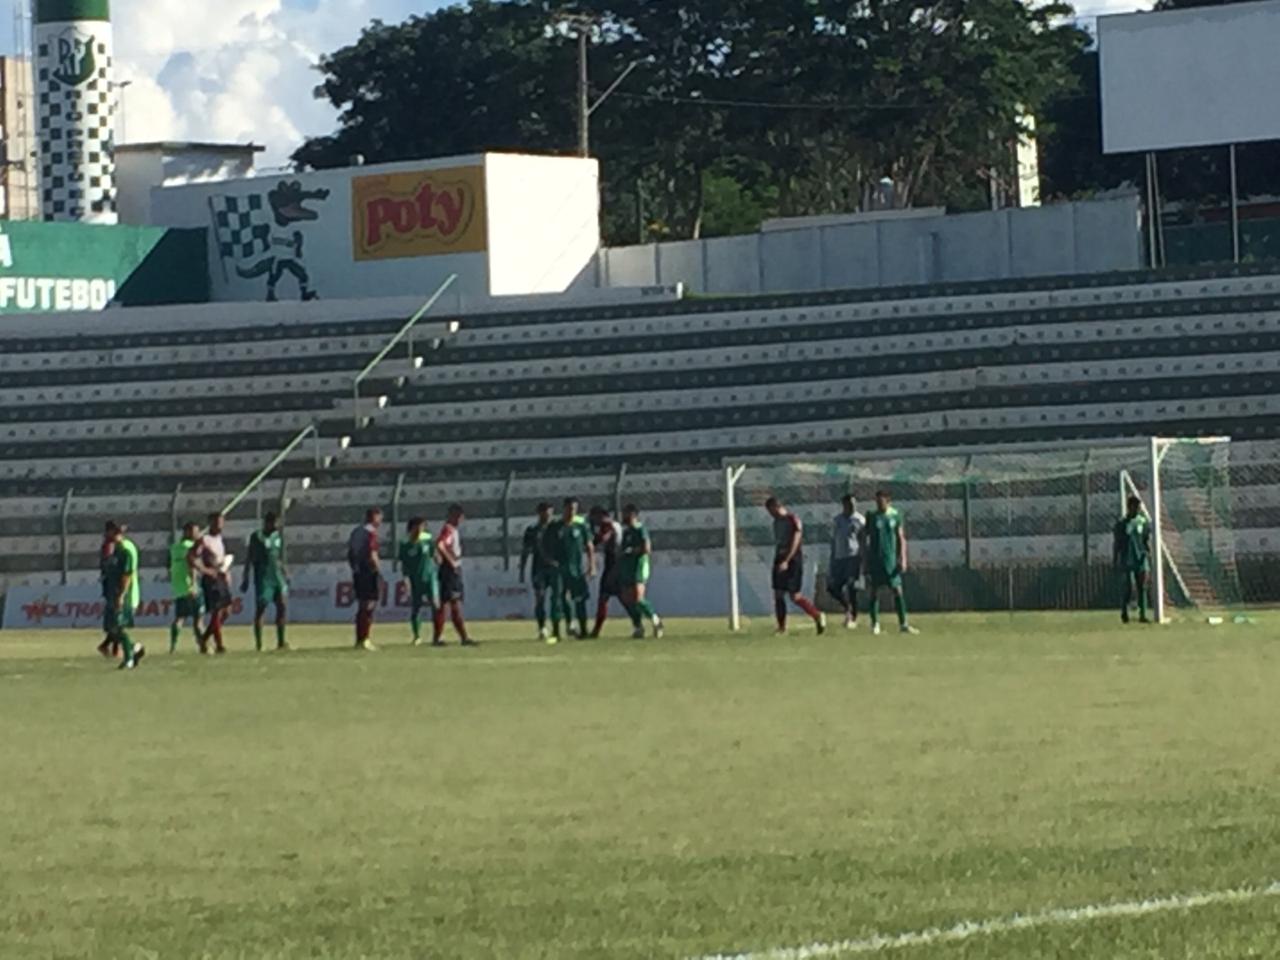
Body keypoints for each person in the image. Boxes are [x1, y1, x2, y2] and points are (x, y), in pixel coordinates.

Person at [765, 497, 826, 635]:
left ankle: (817, 615)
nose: (770, 514)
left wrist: (787, 560)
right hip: (780, 558)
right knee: (778, 594)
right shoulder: (776, 522)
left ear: (776, 507)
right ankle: (782, 628)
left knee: (795, 596)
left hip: (793, 560)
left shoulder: (792, 519)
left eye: (770, 510)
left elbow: (796, 541)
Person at [861, 490, 919, 636]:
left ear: (888, 501)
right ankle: (875, 625)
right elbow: (864, 537)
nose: (879, 504)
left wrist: (903, 558)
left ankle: (903, 624)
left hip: (891, 560)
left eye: (881, 501)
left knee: (897, 590)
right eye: (877, 501)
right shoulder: (872, 516)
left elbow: (900, 538)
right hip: (876, 560)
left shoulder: (895, 515)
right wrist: (865, 559)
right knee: (874, 591)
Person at [542, 498, 595, 643]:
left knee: (580, 599)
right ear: (564, 509)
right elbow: (544, 547)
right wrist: (550, 561)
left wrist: (592, 566)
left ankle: (583, 630)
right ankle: (556, 632)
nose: (572, 512)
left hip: (576, 569)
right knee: (557, 599)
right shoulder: (555, 527)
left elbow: (589, 546)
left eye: (574, 509)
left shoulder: (581, 526)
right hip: (559, 569)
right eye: (570, 508)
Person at [242, 512, 290, 651]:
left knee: (282, 605)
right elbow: (249, 558)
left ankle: (281, 642)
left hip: (277, 576)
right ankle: (259, 644)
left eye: (278, 523)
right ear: (267, 522)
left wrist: (285, 571)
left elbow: (278, 557)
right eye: (274, 523)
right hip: (263, 577)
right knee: (261, 609)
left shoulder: (278, 537)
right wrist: (246, 577)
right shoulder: (257, 537)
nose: (276, 526)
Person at [102, 521, 145, 670]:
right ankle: (134, 649)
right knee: (112, 628)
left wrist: (121, 595)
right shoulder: (118, 549)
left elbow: (127, 574)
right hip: (115, 593)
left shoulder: (126, 549)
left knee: (119, 627)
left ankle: (129, 659)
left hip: (124, 594)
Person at [435, 504, 478, 646]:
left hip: (453, 571)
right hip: (450, 571)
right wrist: (451, 562)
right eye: (459, 516)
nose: (461, 519)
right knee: (448, 604)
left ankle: (462, 637)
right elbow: (440, 545)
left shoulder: (452, 530)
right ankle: (442, 638)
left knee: (453, 604)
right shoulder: (448, 529)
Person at [619, 504, 664, 639]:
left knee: (638, 598)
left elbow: (647, 548)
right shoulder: (626, 532)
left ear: (633, 515)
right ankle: (638, 626)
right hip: (627, 567)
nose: (623, 516)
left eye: (626, 514)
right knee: (627, 599)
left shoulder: (640, 529)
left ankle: (655, 620)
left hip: (639, 566)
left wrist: (633, 551)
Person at [192, 512, 232, 654]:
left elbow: (221, 559)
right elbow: (192, 557)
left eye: (221, 522)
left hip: (221, 577)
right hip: (211, 580)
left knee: (227, 611)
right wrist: (205, 570)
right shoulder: (204, 540)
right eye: (216, 522)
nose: (220, 525)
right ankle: (219, 644)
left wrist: (226, 572)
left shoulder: (219, 539)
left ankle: (205, 637)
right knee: (216, 612)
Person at [398, 516, 440, 646]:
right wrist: (405, 579)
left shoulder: (427, 538)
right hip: (415, 578)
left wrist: (437, 559)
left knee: (435, 605)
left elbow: (434, 553)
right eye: (419, 526)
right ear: (412, 528)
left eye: (423, 526)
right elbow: (404, 563)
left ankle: (437, 636)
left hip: (430, 576)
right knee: (416, 607)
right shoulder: (404, 543)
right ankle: (417, 636)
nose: (421, 529)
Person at [347, 507, 384, 651]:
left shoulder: (356, 531)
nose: (380, 520)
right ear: (373, 517)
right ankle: (365, 638)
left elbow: (351, 553)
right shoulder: (370, 533)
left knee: (363, 606)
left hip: (358, 572)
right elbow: (372, 553)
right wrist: (378, 570)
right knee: (369, 605)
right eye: (379, 517)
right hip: (369, 572)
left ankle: (360, 639)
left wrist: (355, 569)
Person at [1114, 495, 1153, 624]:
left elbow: (1146, 539)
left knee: (1143, 586)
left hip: (1141, 559)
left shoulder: (1143, 522)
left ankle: (1143, 614)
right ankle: (1124, 612)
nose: (1137, 509)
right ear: (1129, 507)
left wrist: (1148, 553)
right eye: (1135, 507)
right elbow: (1117, 543)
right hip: (1127, 559)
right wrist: (1115, 559)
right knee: (1129, 587)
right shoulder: (1121, 524)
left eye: (1139, 507)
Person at [589, 505, 626, 638]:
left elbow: (602, 539)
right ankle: (639, 622)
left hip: (613, 564)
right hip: (617, 563)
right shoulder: (615, 524)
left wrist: (593, 539)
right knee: (623, 597)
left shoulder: (607, 525)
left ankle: (596, 630)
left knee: (604, 597)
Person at [829, 495, 866, 630]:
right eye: (849, 504)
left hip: (853, 557)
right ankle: (847, 607)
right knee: (832, 587)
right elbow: (833, 540)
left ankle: (853, 617)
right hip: (839, 557)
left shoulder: (860, 520)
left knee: (852, 586)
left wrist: (863, 558)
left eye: (854, 504)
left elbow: (863, 539)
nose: (852, 507)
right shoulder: (837, 520)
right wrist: (832, 558)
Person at [519, 503, 554, 641]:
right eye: (544, 512)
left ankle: (561, 626)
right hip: (539, 569)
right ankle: (542, 627)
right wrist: (522, 569)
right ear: (539, 513)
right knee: (540, 597)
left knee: (559, 597)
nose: (547, 515)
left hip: (554, 568)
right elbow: (526, 551)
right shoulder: (532, 530)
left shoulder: (555, 528)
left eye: (549, 512)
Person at [169, 522, 204, 653]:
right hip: (191, 586)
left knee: (179, 618)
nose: (197, 534)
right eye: (195, 531)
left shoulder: (175, 547)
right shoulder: (190, 547)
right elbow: (193, 566)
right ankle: (202, 646)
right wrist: (193, 584)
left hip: (179, 588)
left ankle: (173, 646)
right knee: (198, 620)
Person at [97, 520, 121, 659]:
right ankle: (112, 648)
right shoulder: (109, 545)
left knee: (116, 618)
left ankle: (111, 646)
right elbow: (108, 565)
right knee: (116, 618)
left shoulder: (109, 544)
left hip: (110, 585)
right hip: (112, 586)